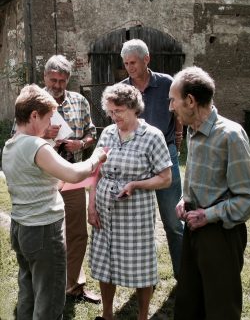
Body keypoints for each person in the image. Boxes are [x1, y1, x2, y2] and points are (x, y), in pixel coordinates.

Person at [2, 84, 107, 320]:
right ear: (34, 115)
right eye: (49, 118)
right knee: (49, 300)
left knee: (28, 292)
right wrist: (97, 157)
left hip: (21, 228)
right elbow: (72, 173)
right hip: (43, 231)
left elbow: (47, 182)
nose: (51, 125)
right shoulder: (36, 146)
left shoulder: (10, 146)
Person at [168, 66, 250, 320]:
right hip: (193, 228)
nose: (170, 107)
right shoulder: (192, 130)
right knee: (189, 301)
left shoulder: (230, 135)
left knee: (221, 308)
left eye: (173, 99)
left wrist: (209, 215)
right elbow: (200, 178)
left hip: (221, 235)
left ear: (190, 101)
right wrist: (183, 199)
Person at [88, 83, 172, 320]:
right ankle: (107, 315)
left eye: (119, 111)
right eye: (111, 112)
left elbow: (166, 178)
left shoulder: (152, 136)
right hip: (105, 212)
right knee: (106, 264)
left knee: (142, 265)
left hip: (136, 214)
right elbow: (97, 171)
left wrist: (135, 184)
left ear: (134, 108)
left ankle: (142, 316)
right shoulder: (107, 133)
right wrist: (91, 204)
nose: (114, 117)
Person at [120, 39, 183, 278]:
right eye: (126, 63)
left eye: (133, 62)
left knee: (174, 220)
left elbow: (177, 112)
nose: (129, 68)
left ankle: (183, 275)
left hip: (166, 156)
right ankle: (143, 278)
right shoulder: (124, 90)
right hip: (136, 160)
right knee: (139, 225)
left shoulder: (167, 83)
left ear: (147, 59)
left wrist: (178, 135)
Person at [43, 55, 101, 303]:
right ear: (45, 77)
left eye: (62, 80)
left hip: (73, 174)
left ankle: (75, 286)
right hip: (43, 178)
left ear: (68, 79)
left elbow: (91, 132)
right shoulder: (33, 101)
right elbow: (18, 136)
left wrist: (83, 142)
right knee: (47, 235)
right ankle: (48, 288)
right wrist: (45, 135)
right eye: (53, 80)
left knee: (77, 232)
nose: (57, 85)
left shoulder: (79, 101)